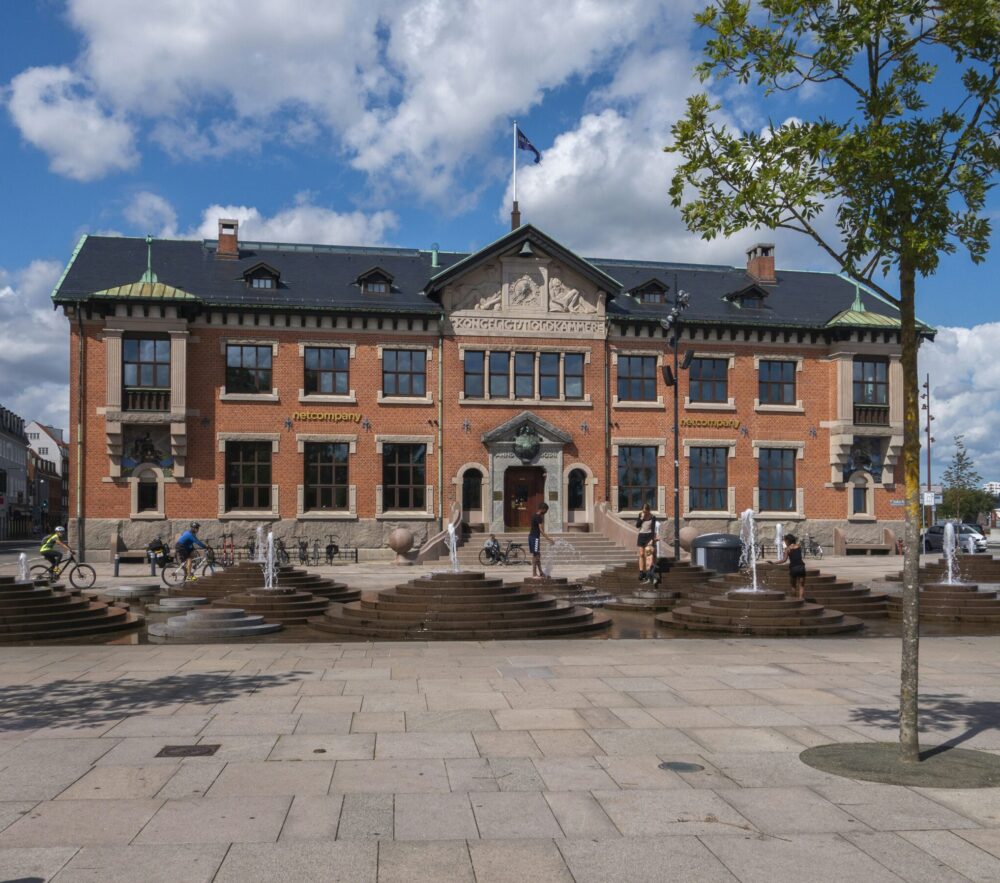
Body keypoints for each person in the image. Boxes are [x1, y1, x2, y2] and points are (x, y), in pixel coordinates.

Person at [529, 502, 554, 578]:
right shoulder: (539, 517)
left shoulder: (534, 515)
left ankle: (541, 572)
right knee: (536, 556)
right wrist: (549, 539)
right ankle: (534, 574)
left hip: (531, 537)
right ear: (543, 509)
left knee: (537, 555)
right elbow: (541, 530)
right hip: (535, 538)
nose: (546, 512)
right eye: (546, 510)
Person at [779, 533, 807, 599]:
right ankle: (801, 600)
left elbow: (784, 560)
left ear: (788, 541)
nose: (785, 543)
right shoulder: (798, 546)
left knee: (793, 586)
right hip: (801, 567)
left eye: (785, 541)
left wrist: (774, 563)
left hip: (793, 568)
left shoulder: (787, 549)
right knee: (801, 586)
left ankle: (794, 600)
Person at [635, 503, 656, 582]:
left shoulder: (653, 517)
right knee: (641, 554)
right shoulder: (640, 515)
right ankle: (641, 572)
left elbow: (653, 529)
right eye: (643, 511)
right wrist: (641, 518)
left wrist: (652, 539)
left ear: (648, 510)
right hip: (641, 536)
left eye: (645, 511)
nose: (644, 512)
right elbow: (637, 525)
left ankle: (648, 572)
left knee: (648, 554)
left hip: (649, 536)